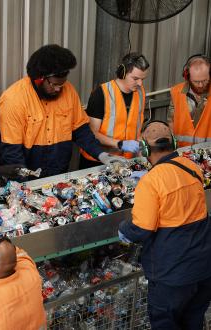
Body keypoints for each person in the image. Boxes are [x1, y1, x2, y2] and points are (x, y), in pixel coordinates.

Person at [118, 120, 211, 329]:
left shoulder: (151, 182)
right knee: (193, 321)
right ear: (174, 142)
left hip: (173, 274)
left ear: (143, 148)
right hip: (204, 268)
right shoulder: (192, 167)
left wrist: (123, 229)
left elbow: (142, 228)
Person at [0, 44, 125, 179]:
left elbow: (81, 131)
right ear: (39, 79)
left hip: (58, 174)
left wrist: (102, 155)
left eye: (62, 84)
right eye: (54, 84)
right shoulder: (13, 99)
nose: (59, 89)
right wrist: (23, 186)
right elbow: (11, 152)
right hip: (24, 174)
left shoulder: (69, 91)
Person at [80, 53, 150, 169]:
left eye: (143, 79)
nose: (140, 83)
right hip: (98, 160)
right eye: (135, 78)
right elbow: (92, 133)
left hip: (127, 160)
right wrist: (120, 144)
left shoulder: (140, 92)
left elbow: (136, 126)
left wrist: (140, 149)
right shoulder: (101, 93)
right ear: (122, 73)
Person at [168, 54, 211, 147]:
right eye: (196, 81)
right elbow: (171, 121)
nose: (200, 85)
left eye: (204, 81)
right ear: (187, 77)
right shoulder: (176, 92)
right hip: (182, 151)